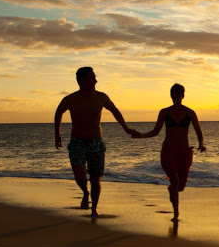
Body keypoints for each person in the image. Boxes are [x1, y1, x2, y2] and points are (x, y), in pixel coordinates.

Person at [54, 66, 133, 217]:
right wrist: (57, 134)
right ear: (82, 80)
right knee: (80, 175)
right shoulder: (71, 99)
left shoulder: (101, 97)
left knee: (96, 178)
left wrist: (126, 128)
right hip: (77, 142)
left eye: (95, 77)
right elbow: (58, 112)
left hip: (96, 142)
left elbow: (115, 111)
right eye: (92, 78)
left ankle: (94, 209)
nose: (96, 81)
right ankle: (85, 192)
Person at [132, 83, 205, 221]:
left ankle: (172, 189)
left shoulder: (190, 113)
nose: (176, 100)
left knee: (180, 186)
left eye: (179, 97)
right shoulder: (165, 112)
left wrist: (201, 144)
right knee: (175, 181)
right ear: (170, 96)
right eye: (174, 97)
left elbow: (199, 131)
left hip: (184, 152)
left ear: (183, 96)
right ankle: (176, 213)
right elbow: (155, 132)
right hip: (169, 151)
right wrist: (140, 135)